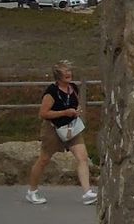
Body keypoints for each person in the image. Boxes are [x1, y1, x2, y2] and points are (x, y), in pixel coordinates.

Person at [26, 59, 97, 206]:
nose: (68, 74)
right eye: (65, 72)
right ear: (58, 76)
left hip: (72, 128)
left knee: (82, 157)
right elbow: (43, 114)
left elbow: (74, 104)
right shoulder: (51, 92)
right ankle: (32, 191)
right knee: (44, 159)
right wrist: (64, 112)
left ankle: (87, 192)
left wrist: (75, 112)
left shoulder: (73, 88)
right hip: (53, 129)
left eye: (69, 71)